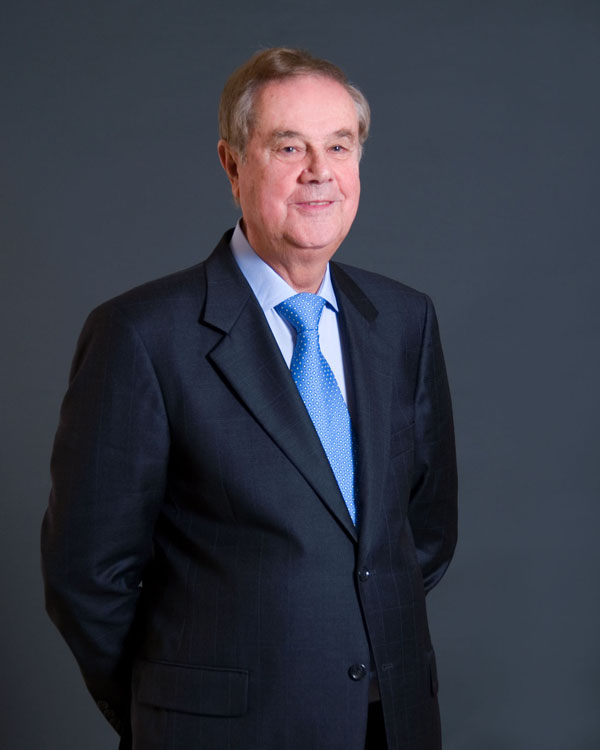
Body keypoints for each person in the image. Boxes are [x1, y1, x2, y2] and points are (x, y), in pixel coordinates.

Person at [41, 47, 457, 750]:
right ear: (233, 165)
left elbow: (423, 533)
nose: (319, 171)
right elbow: (87, 575)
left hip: (392, 723)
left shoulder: (403, 320)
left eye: (339, 146)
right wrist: (171, 710)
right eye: (289, 146)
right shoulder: (141, 335)